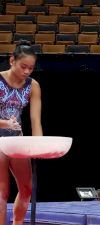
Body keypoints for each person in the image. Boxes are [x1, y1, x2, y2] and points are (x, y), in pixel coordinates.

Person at [0, 41, 43, 225]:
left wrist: (39, 146)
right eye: (23, 66)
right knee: (2, 191)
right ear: (12, 61)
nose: (27, 72)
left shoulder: (33, 86)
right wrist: (3, 123)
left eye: (31, 68)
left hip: (17, 141)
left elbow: (35, 121)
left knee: (27, 190)